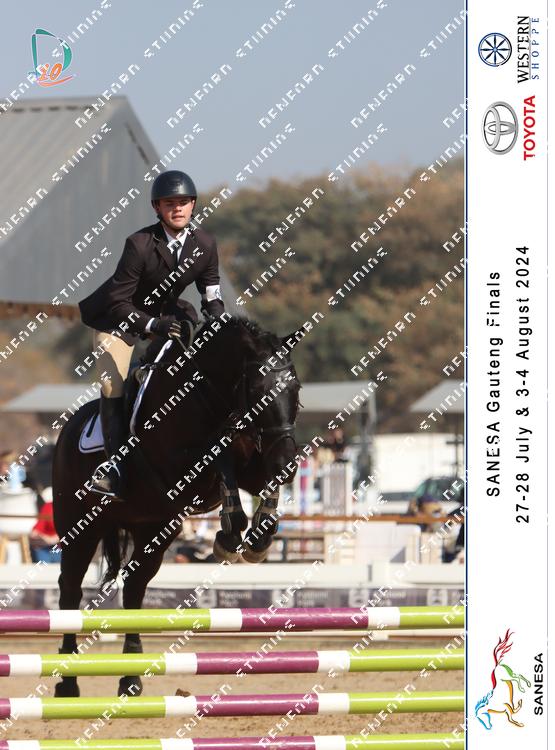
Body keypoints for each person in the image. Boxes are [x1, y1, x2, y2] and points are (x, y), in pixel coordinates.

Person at [78, 170, 226, 501]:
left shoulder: (205, 244)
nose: (178, 208)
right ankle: (114, 469)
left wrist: (219, 321)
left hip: (167, 312)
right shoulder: (139, 244)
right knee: (113, 386)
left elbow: (211, 295)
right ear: (157, 208)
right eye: (169, 203)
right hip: (117, 318)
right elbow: (118, 302)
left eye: (183, 202)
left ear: (193, 205)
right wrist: (152, 326)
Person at [29, 498, 61, 563]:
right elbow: (37, 529)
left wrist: (53, 539)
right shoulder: (49, 506)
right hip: (44, 546)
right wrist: (39, 536)